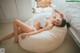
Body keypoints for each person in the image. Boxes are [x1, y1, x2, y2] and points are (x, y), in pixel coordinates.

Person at [0, 10, 70, 43]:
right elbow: (54, 9)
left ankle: (16, 39)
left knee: (15, 21)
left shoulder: (50, 25)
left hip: (31, 29)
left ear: (56, 25)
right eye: (57, 20)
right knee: (13, 33)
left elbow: (39, 31)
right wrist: (61, 15)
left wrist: (27, 34)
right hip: (30, 24)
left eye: (57, 23)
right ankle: (1, 40)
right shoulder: (53, 16)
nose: (56, 21)